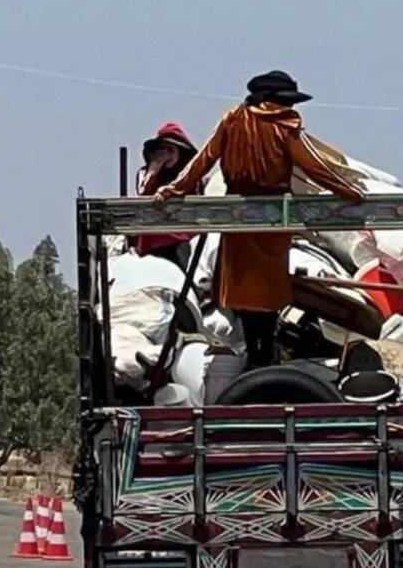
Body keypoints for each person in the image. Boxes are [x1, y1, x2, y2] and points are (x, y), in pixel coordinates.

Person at [153, 70, 365, 368]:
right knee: (266, 299)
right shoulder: (285, 126)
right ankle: (263, 358)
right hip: (272, 219)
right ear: (272, 101)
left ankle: (256, 357)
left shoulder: (232, 119)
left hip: (238, 218)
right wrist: (349, 191)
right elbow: (315, 166)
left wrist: (173, 189)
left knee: (244, 297)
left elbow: (203, 160)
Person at [129, 122, 203, 269]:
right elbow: (142, 197)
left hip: (182, 241)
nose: (165, 155)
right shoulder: (145, 173)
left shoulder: (193, 177)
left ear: (180, 151)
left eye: (170, 150)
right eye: (161, 149)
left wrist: (167, 193)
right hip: (149, 244)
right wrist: (153, 171)